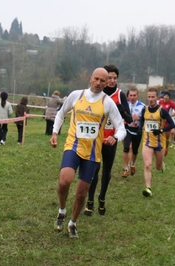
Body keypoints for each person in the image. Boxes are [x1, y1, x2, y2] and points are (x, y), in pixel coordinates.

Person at [50, 67, 126, 238]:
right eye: (96, 79)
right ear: (90, 79)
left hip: (92, 153)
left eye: (103, 81)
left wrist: (116, 137)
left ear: (107, 83)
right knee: (64, 182)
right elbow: (61, 114)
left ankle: (73, 223)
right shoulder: (77, 95)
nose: (99, 83)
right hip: (73, 146)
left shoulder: (108, 102)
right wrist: (55, 132)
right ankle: (62, 210)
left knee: (82, 193)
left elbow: (121, 128)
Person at [84, 64, 133, 216]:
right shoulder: (97, 93)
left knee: (107, 170)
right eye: (109, 78)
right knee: (94, 170)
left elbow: (129, 119)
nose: (112, 81)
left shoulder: (120, 95)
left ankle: (102, 198)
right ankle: (90, 200)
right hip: (96, 138)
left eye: (114, 78)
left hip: (111, 139)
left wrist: (120, 109)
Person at [138, 88, 175, 197]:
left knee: (158, 167)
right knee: (148, 165)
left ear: (157, 97)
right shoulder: (144, 110)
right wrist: (141, 127)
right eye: (149, 97)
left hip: (159, 143)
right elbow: (141, 121)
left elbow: (172, 124)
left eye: (153, 97)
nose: (151, 99)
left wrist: (161, 130)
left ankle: (162, 164)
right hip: (147, 142)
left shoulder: (162, 111)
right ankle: (148, 188)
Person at [122, 88, 145, 178]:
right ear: (128, 96)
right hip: (127, 129)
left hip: (137, 130)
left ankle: (132, 164)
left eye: (134, 95)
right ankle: (125, 169)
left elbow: (145, 119)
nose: (132, 97)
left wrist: (139, 119)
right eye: (130, 95)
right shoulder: (125, 105)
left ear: (138, 96)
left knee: (134, 150)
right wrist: (123, 120)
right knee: (127, 148)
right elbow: (121, 115)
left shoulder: (142, 106)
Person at [158, 91, 175, 156]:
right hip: (160, 122)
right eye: (165, 96)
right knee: (159, 136)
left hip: (167, 123)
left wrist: (169, 116)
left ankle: (166, 148)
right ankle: (159, 149)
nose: (166, 97)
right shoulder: (160, 102)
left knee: (166, 138)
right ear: (163, 96)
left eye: (167, 96)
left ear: (169, 97)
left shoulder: (171, 103)